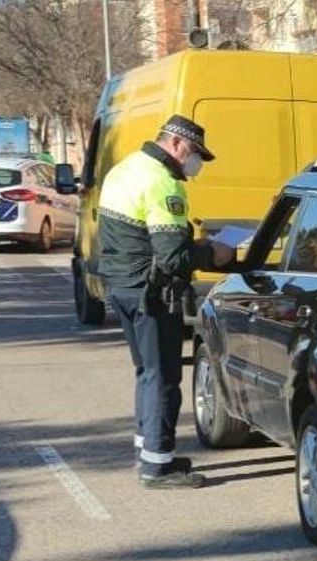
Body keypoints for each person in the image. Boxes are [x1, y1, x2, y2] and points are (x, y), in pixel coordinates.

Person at [95, 115, 233, 488]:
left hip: (123, 288)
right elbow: (173, 257)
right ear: (175, 144)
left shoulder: (124, 170)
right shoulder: (162, 183)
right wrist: (211, 253)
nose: (196, 163)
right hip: (152, 293)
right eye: (194, 154)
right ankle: (158, 466)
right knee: (164, 377)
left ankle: (150, 448)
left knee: (146, 372)